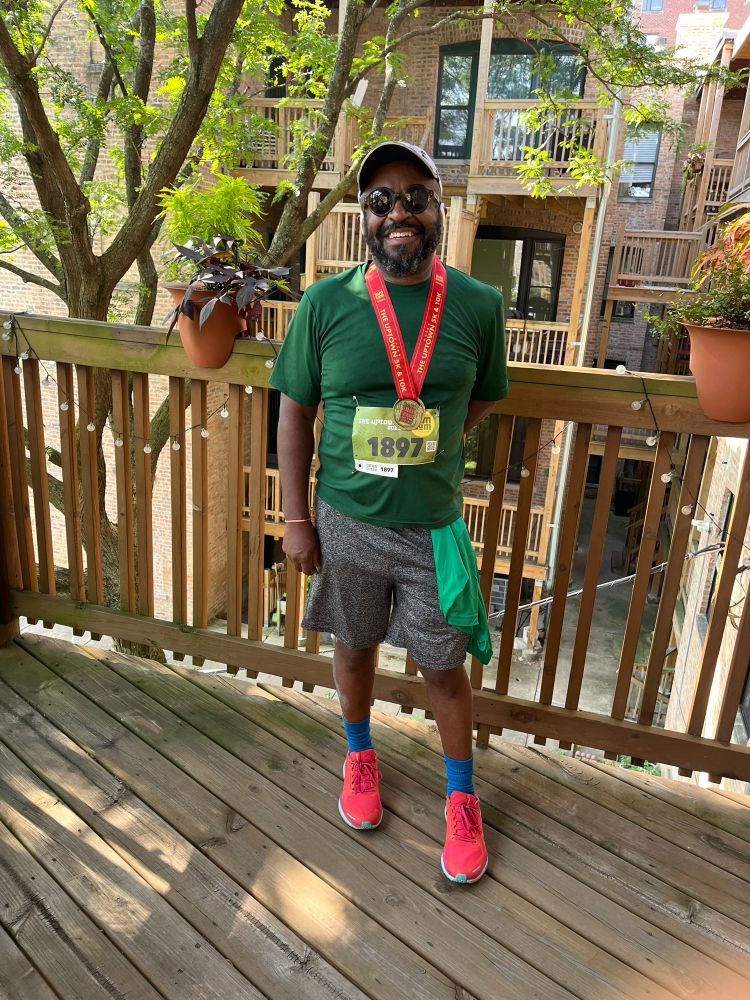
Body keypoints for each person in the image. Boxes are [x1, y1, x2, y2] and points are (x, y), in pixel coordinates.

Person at [269, 141, 507, 884]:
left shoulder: (477, 304)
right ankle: (359, 757)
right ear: (363, 216)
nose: (398, 211)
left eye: (415, 197)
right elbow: (295, 410)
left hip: (433, 527)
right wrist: (296, 518)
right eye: (381, 200)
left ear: (439, 209)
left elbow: (486, 397)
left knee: (443, 667)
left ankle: (462, 800)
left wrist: (429, 450)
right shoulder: (325, 303)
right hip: (344, 520)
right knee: (354, 643)